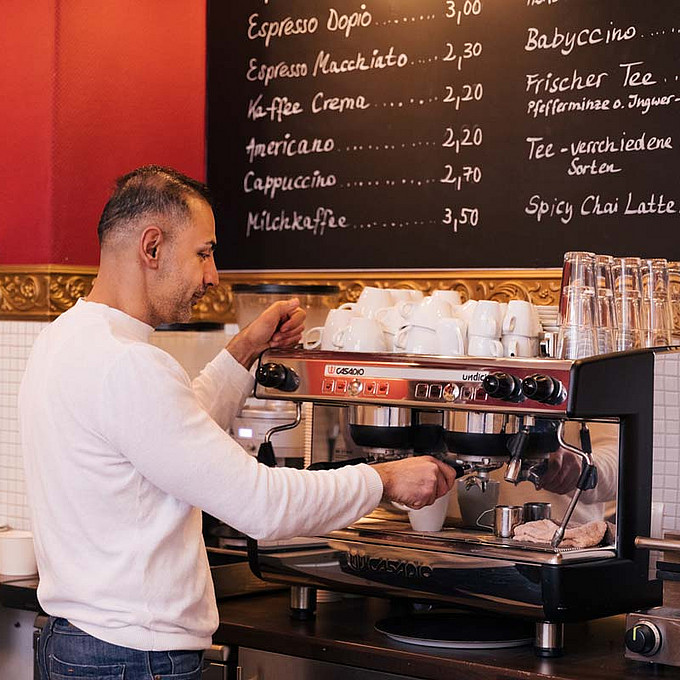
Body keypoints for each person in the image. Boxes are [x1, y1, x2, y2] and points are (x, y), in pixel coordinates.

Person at [19, 166, 456, 680]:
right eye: (203, 252)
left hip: (78, 643)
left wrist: (245, 349)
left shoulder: (62, 340)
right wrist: (382, 479)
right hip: (133, 659)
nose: (212, 276)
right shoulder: (129, 365)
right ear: (152, 247)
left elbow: (172, 440)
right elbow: (261, 505)